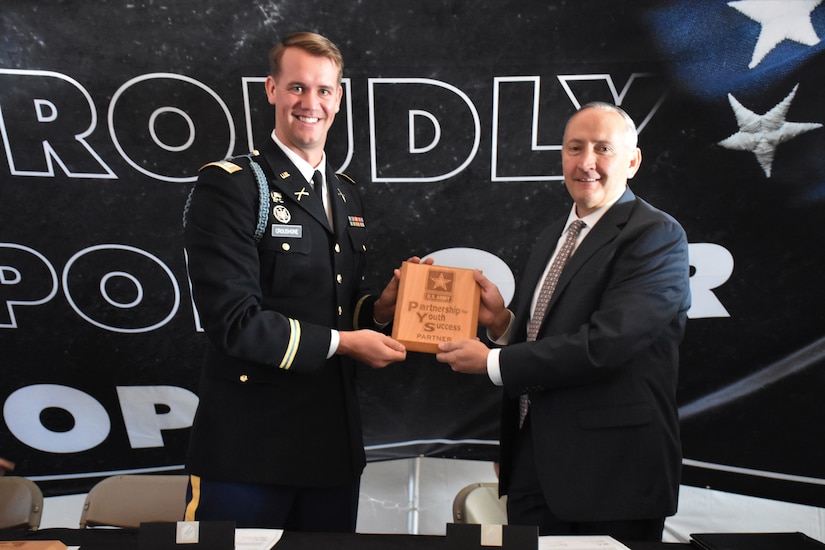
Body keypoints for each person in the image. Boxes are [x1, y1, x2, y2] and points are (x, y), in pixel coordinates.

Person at [183, 31, 420, 532]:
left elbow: (335, 306)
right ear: (271, 90)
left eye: (324, 90)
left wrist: (379, 311)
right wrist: (347, 342)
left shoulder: (346, 193)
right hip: (247, 450)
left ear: (339, 98)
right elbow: (235, 324)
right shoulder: (232, 185)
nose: (310, 103)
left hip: (331, 447)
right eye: (296, 88)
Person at [436, 102, 691, 542]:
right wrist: (502, 324)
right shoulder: (554, 234)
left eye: (603, 148)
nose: (586, 162)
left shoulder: (657, 236)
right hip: (536, 467)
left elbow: (606, 344)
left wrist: (494, 363)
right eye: (575, 148)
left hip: (615, 477)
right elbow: (550, 334)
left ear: (632, 160)